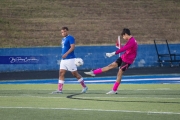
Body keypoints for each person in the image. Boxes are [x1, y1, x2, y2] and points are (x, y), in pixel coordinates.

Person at [84, 28, 138, 94]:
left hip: (127, 61)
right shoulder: (131, 40)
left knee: (120, 73)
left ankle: (114, 90)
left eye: (123, 36)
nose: (123, 38)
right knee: (110, 66)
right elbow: (127, 49)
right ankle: (94, 72)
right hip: (123, 57)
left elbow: (124, 49)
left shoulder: (132, 41)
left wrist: (113, 53)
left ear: (126, 34)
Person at [52, 27, 88, 94]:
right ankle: (59, 90)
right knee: (61, 73)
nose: (63, 33)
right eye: (62, 32)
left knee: (75, 74)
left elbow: (72, 47)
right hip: (64, 60)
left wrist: (66, 54)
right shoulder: (63, 39)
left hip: (70, 59)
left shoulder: (70, 38)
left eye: (65, 31)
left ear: (67, 31)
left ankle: (84, 86)